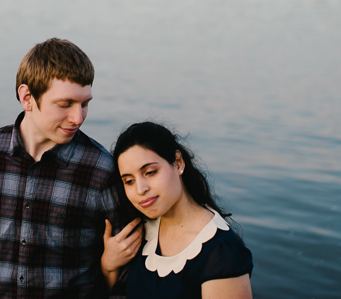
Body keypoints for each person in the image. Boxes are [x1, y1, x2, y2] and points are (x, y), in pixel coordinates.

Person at [0, 38, 142, 299]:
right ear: (27, 97)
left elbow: (127, 271)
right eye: (65, 104)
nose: (78, 118)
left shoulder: (102, 169)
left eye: (85, 103)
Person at [101, 121, 254, 299]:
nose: (140, 189)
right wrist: (109, 265)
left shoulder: (220, 254)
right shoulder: (138, 232)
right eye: (129, 181)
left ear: (178, 162)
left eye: (150, 172)